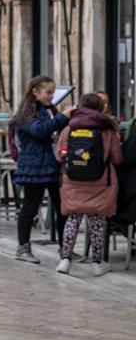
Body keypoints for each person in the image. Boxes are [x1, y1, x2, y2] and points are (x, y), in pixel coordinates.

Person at [55, 92, 123, 276]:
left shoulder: (69, 129)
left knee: (73, 219)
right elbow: (117, 158)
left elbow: (60, 155)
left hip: (72, 181)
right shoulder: (107, 130)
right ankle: (97, 263)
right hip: (100, 182)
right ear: (101, 108)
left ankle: (65, 260)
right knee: (98, 222)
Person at [10, 74, 69, 263]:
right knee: (31, 205)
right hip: (34, 165)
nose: (51, 96)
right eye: (48, 92)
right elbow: (39, 130)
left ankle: (65, 248)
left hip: (51, 164)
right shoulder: (27, 112)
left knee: (62, 207)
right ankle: (23, 247)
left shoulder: (48, 109)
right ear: (35, 92)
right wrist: (62, 117)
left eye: (53, 92)